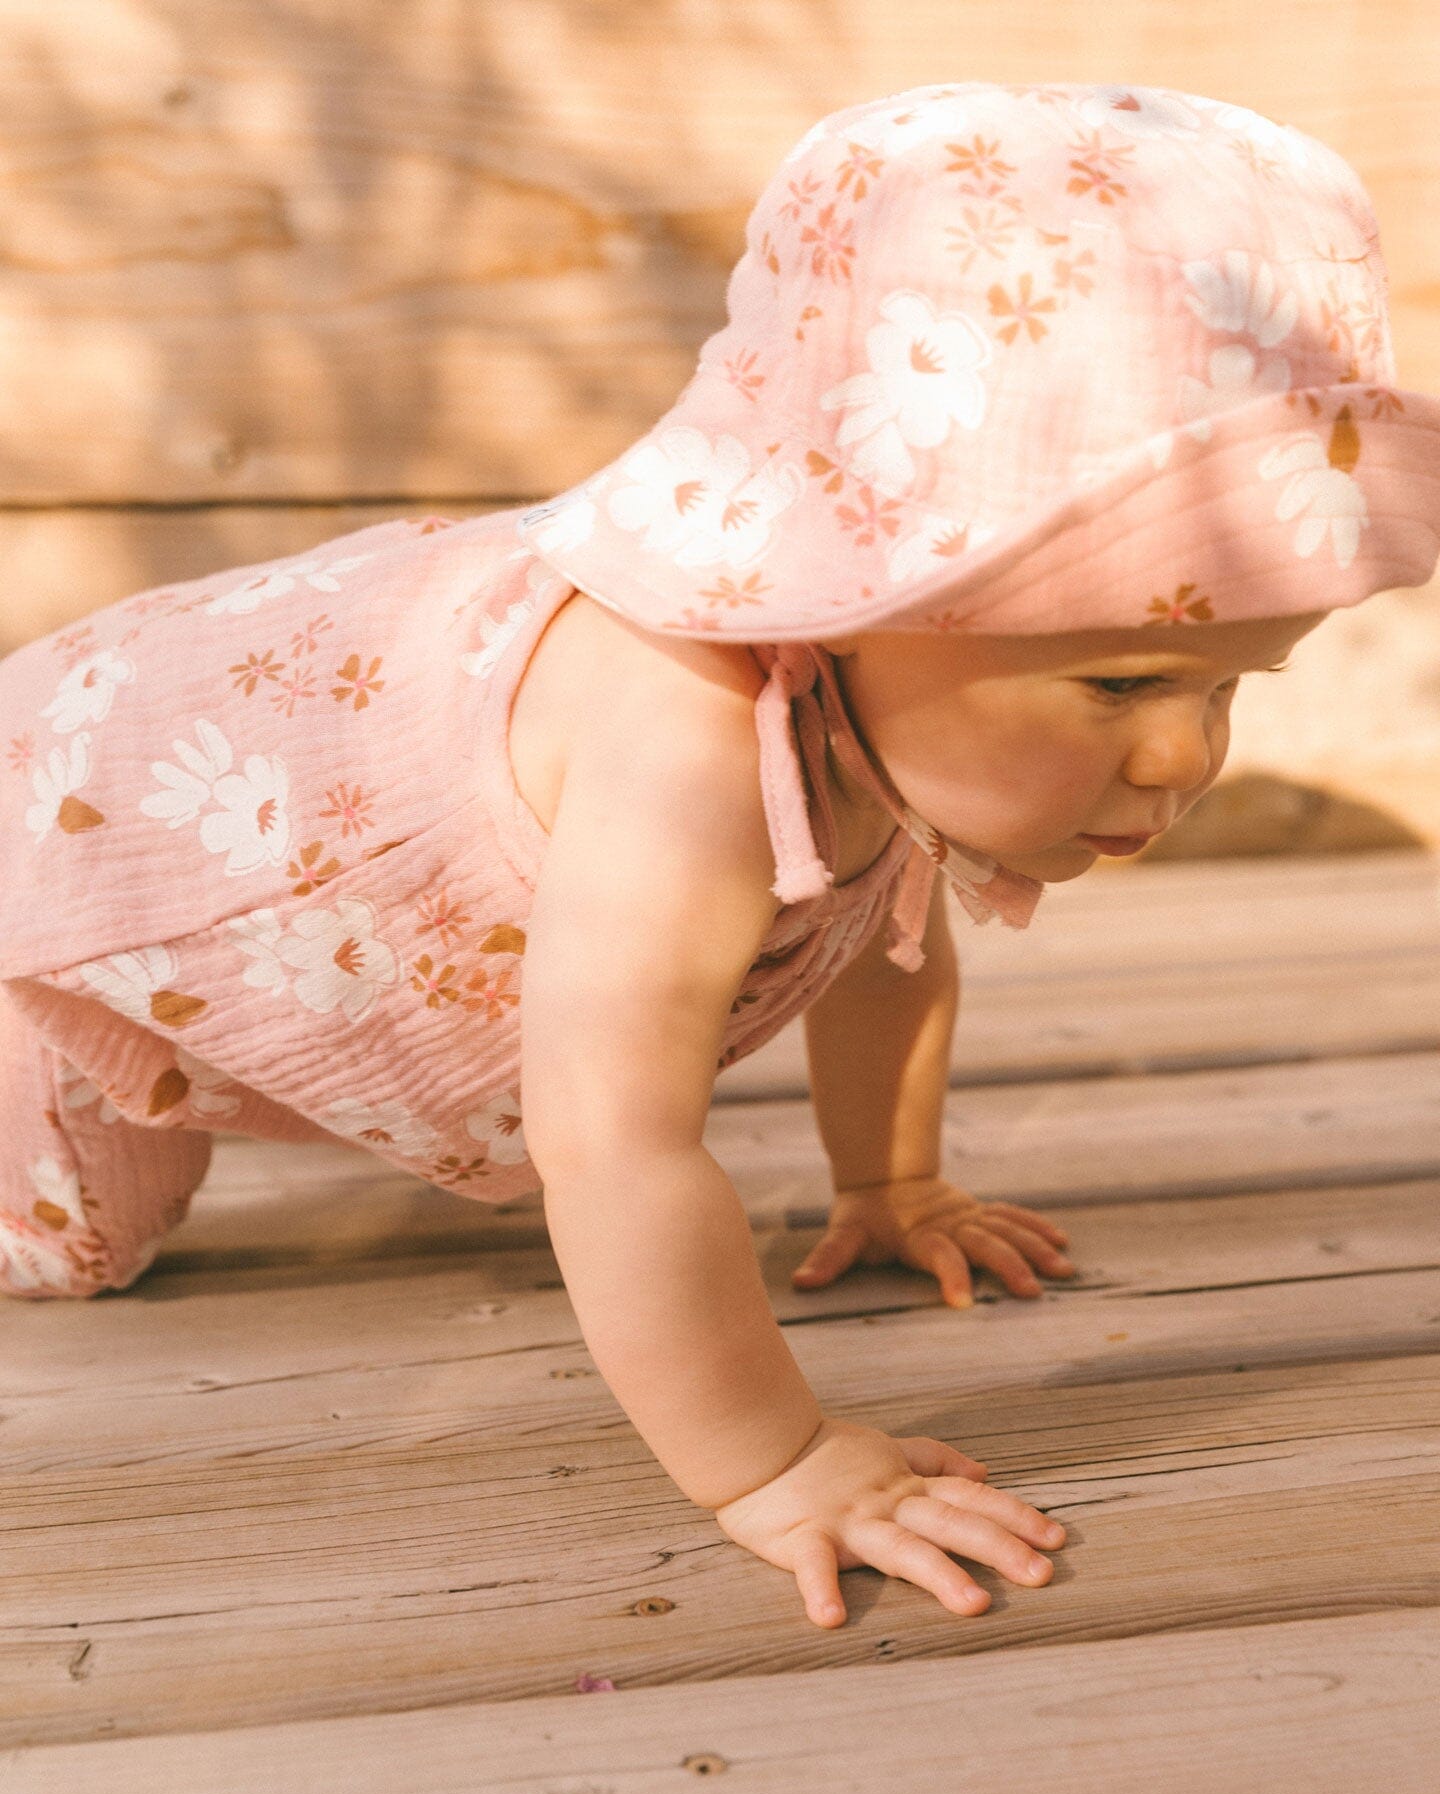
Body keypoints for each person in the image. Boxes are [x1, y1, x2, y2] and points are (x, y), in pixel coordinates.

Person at [2, 81, 1437, 1633]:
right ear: (859, 595)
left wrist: (891, 1178)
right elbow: (614, 1142)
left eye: (1233, 687)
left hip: (238, 854)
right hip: (80, 900)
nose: (1184, 760)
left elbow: (881, 936)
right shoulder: (680, 736)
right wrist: (775, 1462)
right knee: (73, 1242)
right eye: (1124, 684)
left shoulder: (866, 707)